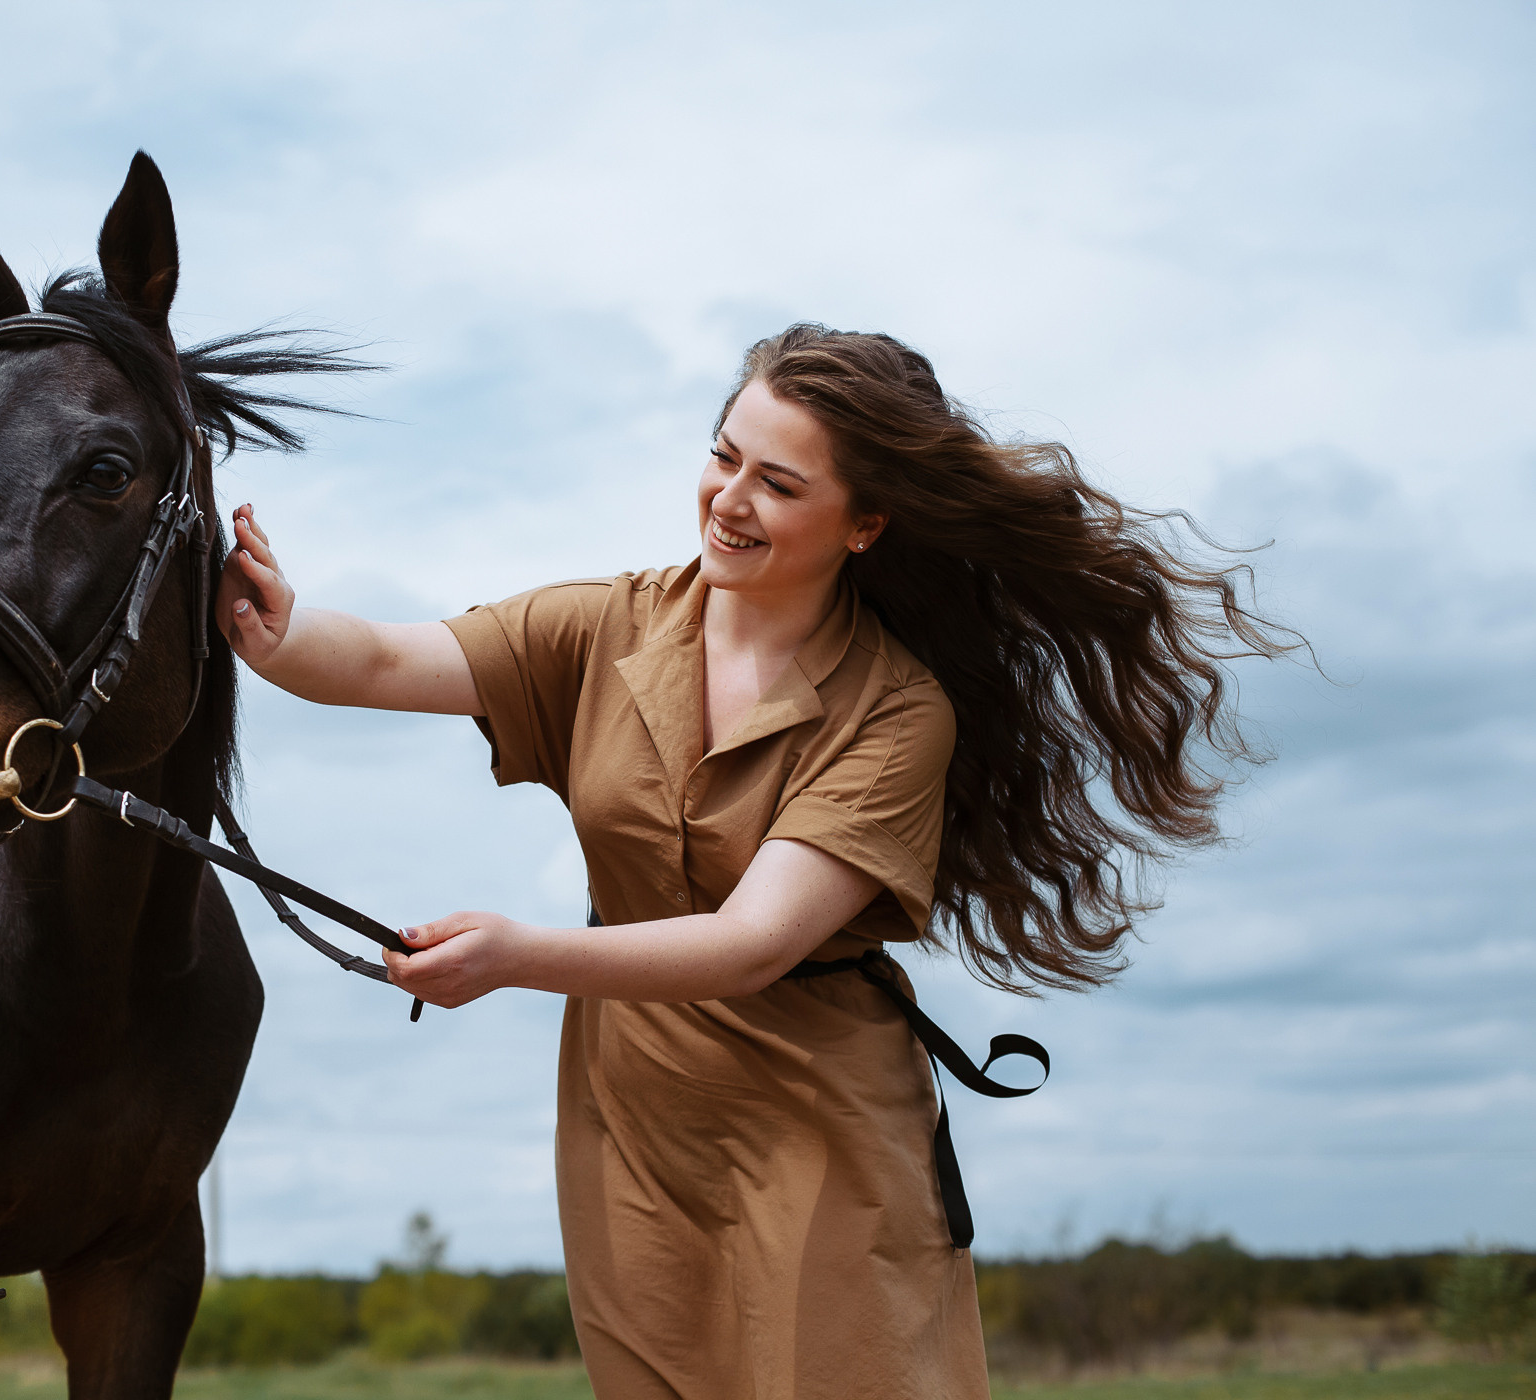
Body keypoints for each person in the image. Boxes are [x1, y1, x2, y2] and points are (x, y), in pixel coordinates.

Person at [215, 324, 1293, 1398]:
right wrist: (279, 627)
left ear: (864, 523)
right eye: (724, 454)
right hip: (629, 1112)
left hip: (815, 1115)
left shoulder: (898, 711)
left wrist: (513, 953)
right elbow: (391, 656)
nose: (729, 499)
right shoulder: (604, 626)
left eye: (778, 483)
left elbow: (752, 940)